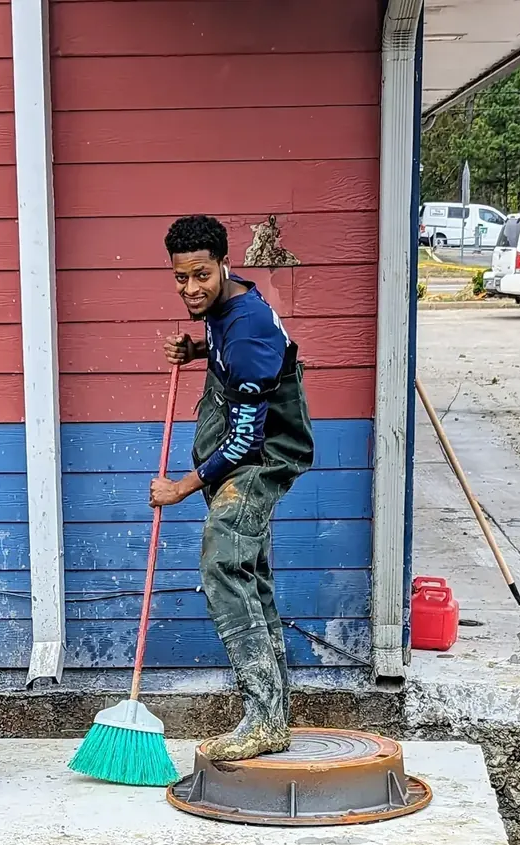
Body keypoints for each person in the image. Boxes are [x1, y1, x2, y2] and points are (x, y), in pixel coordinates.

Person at [150, 214, 314, 762]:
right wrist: (196, 350)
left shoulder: (246, 329)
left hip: (263, 456)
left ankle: (265, 718)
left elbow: (245, 439)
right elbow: (226, 349)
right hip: (245, 448)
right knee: (248, 571)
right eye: (180, 278)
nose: (190, 289)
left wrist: (181, 487)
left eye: (200, 275)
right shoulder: (226, 305)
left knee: (223, 562)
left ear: (223, 264)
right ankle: (274, 711)